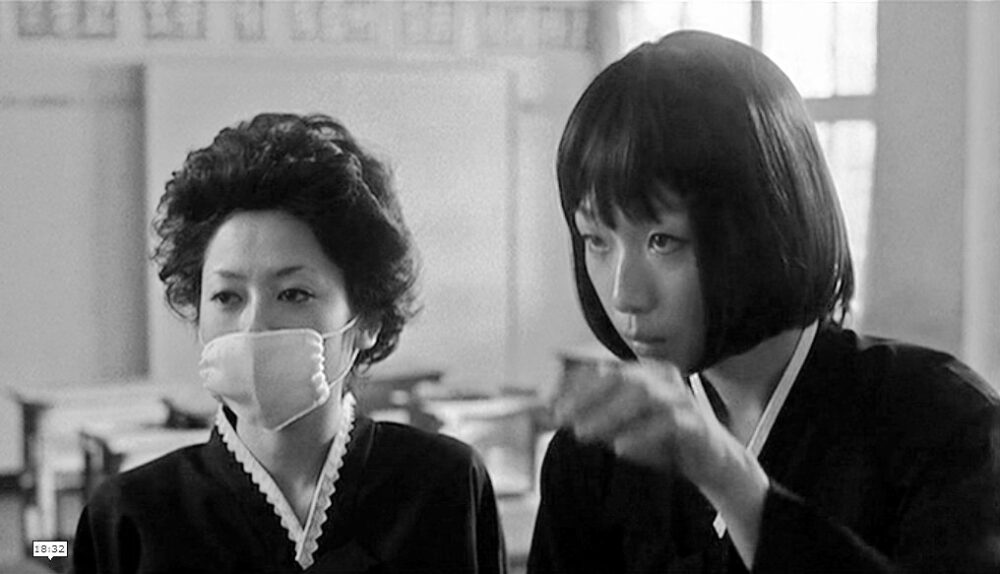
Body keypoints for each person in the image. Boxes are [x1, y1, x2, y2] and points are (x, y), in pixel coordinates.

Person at [527, 30, 1000, 574]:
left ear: (762, 225)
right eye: (597, 240)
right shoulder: (596, 453)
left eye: (663, 241)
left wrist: (727, 476)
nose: (623, 294)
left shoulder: (943, 422)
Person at [72, 113, 507, 573]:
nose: (254, 325)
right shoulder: (126, 518)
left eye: (294, 294)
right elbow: (50, 552)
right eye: (227, 297)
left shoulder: (444, 487)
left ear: (367, 319)